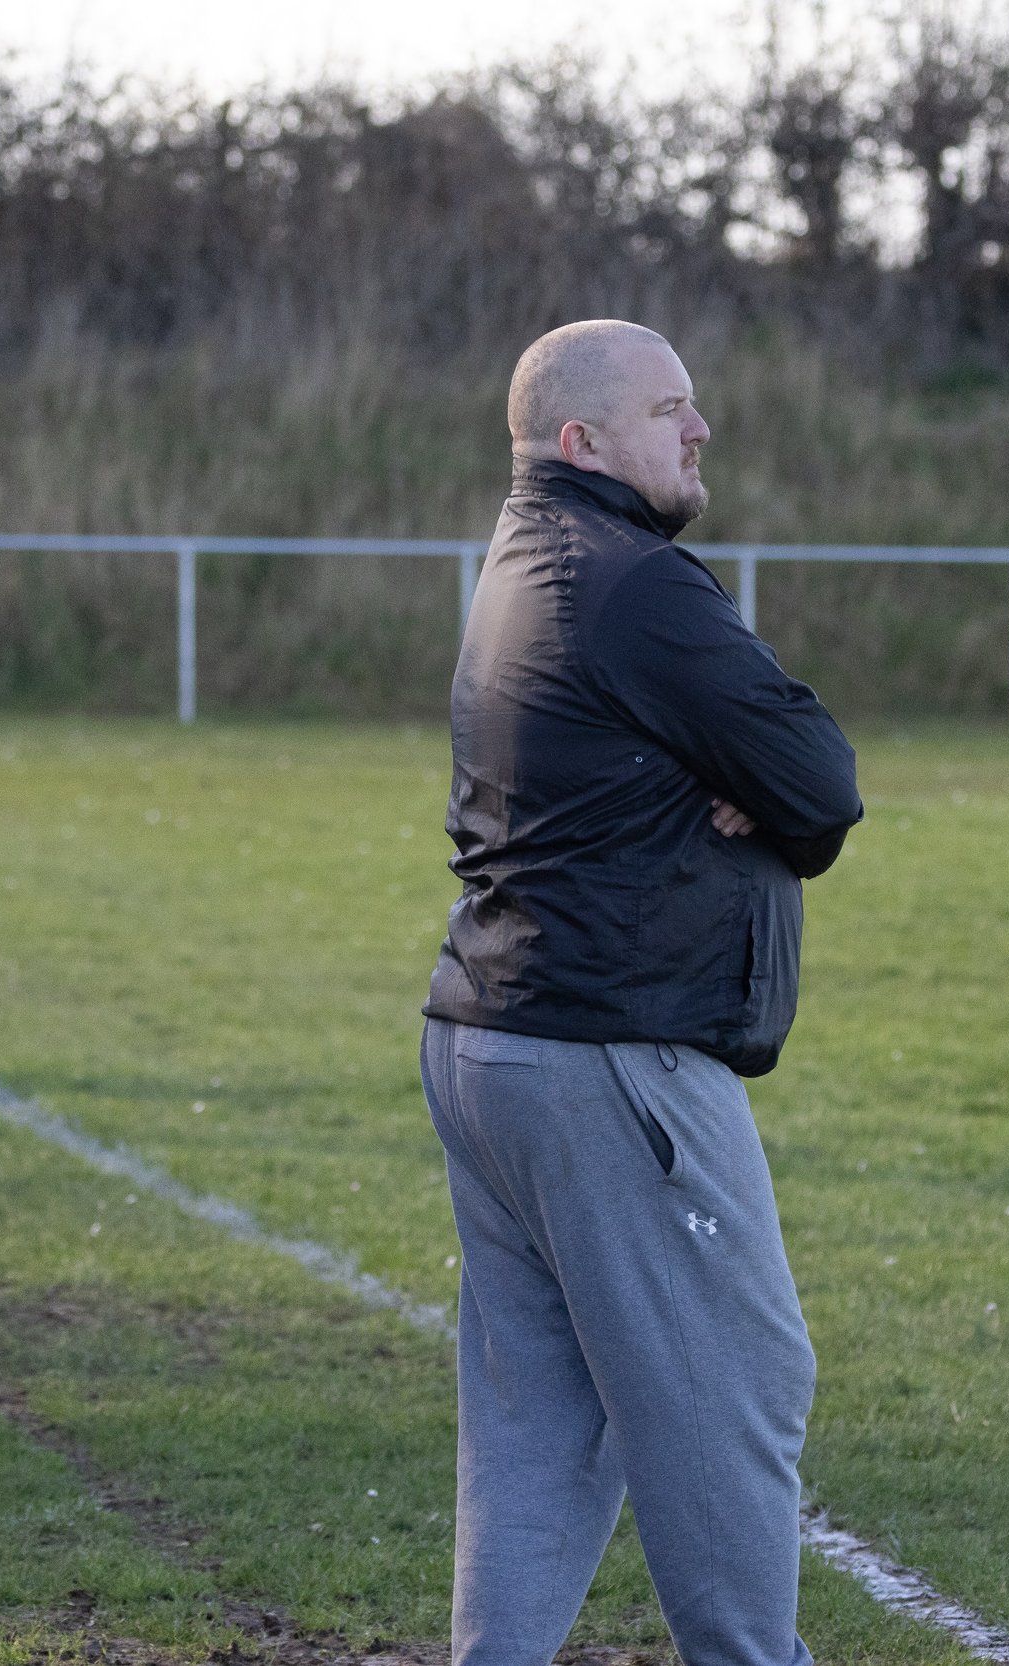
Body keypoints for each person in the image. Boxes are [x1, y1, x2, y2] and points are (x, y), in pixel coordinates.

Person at [420, 320, 863, 1666]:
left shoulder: (523, 558)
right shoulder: (633, 583)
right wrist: (748, 797)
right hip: (605, 1052)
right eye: (672, 408)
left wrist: (747, 791)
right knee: (737, 1382)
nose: (701, 428)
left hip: (491, 1039)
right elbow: (824, 782)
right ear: (584, 442)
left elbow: (781, 783)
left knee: (545, 1421)